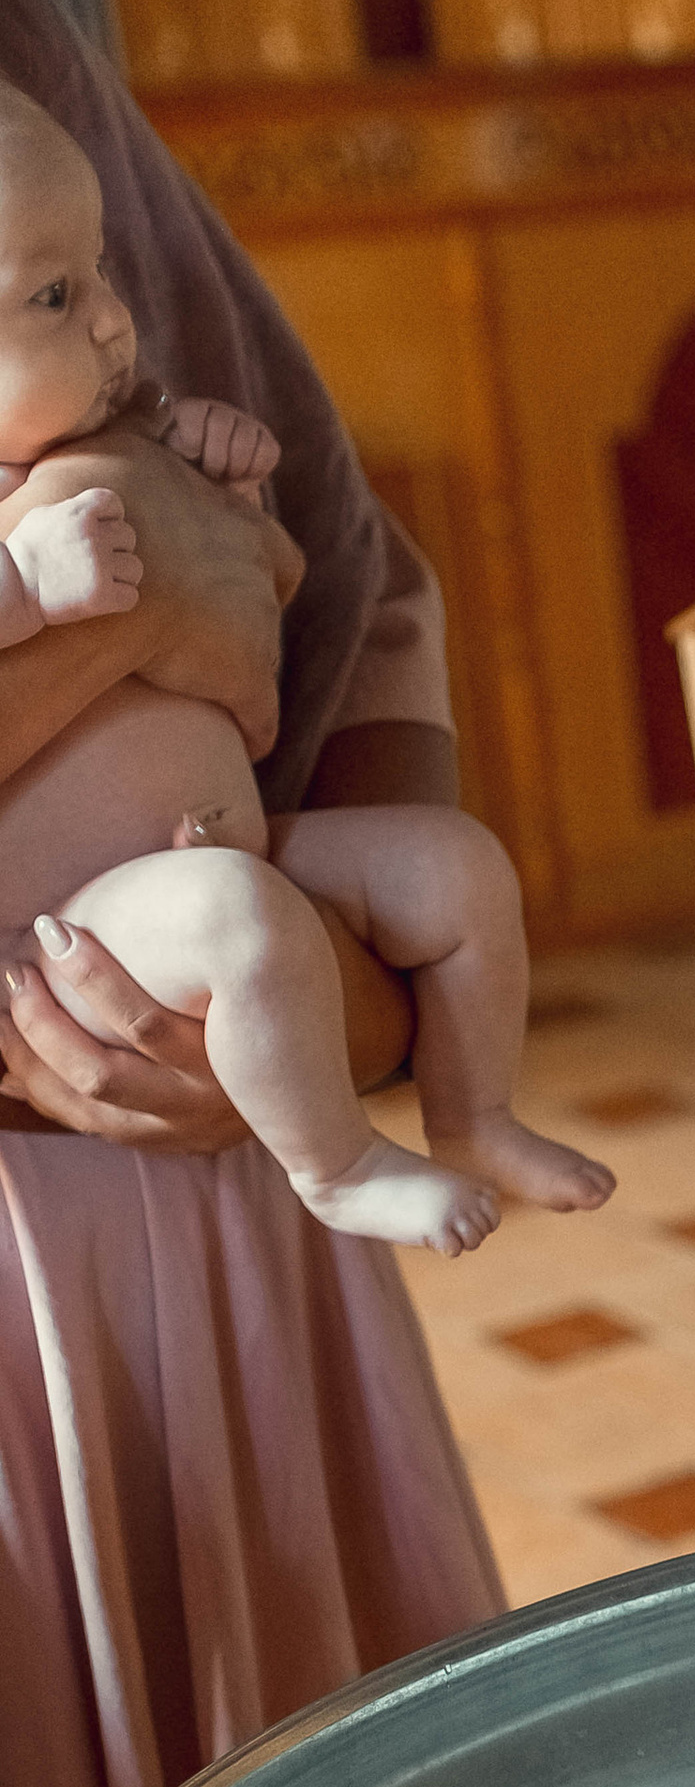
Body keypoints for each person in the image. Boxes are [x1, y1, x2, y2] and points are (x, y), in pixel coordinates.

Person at [0, 0, 501, 1787]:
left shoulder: (11, 32)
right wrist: (130, 614)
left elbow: (348, 581)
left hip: (216, 1205)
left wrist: (342, 990)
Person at [0, 90, 610, 1255]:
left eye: (99, 269)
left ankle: (474, 1116)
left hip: (228, 844)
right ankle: (334, 1166)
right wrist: (24, 586)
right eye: (54, 297)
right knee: (242, 921)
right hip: (75, 922)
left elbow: (261, 578)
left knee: (457, 867)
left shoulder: (110, 436)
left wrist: (219, 484)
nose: (115, 321)